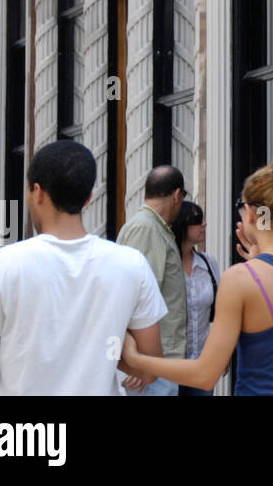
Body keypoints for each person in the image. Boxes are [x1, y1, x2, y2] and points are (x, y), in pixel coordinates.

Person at [0, 141, 167, 395]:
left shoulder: (1, 266)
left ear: (38, 191)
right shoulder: (132, 265)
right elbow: (151, 370)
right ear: (87, 198)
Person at [122, 160, 273, 395]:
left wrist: (135, 359)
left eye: (240, 206)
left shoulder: (241, 279)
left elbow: (205, 375)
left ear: (253, 213)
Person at [117, 165, 189, 396]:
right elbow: (137, 299)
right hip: (152, 366)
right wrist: (139, 362)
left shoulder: (153, 227)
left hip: (155, 364)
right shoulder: (148, 229)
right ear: (177, 195)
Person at [171, 201, 220, 396]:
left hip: (203, 362)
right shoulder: (168, 267)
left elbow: (221, 313)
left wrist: (220, 355)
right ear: (182, 224)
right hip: (171, 362)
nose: (204, 224)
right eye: (197, 220)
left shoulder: (209, 263)